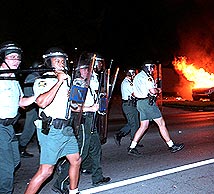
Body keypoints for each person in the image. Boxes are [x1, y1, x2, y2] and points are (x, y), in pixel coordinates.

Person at [24, 47, 81, 194]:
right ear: (49, 62)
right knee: (46, 171)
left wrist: (73, 98)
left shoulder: (66, 80)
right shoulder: (43, 80)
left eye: (63, 61)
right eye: (57, 61)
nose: (61, 64)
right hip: (51, 130)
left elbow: (74, 107)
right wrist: (58, 83)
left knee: (76, 160)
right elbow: (42, 103)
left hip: (66, 129)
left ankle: (74, 191)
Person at [52, 53, 110, 193]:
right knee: (80, 154)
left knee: (96, 148)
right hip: (82, 120)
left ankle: (97, 177)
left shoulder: (90, 80)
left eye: (88, 69)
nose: (87, 71)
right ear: (79, 70)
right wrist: (90, 108)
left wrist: (100, 105)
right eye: (84, 69)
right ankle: (61, 181)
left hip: (91, 119)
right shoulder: (78, 83)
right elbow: (74, 106)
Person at [127, 61, 184, 156]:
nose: (153, 70)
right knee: (161, 124)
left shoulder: (137, 76)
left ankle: (132, 147)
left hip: (140, 103)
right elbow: (152, 91)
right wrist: (158, 90)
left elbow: (134, 92)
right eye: (152, 67)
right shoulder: (147, 78)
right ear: (147, 67)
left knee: (143, 126)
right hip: (148, 103)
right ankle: (171, 146)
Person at [0, 41, 36, 193]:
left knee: (15, 161)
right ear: (2, 59)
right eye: (11, 57)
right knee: (7, 168)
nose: (16, 60)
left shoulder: (13, 78)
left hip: (10, 128)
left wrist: (41, 95)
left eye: (18, 58)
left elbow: (22, 102)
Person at [18, 63, 43, 158]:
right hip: (32, 106)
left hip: (37, 105)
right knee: (30, 127)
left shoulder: (38, 77)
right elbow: (28, 92)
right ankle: (22, 147)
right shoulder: (32, 77)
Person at [114, 68, 140, 146]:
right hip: (129, 105)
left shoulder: (128, 82)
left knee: (132, 123)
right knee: (134, 124)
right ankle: (133, 142)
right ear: (131, 74)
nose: (135, 75)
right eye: (134, 74)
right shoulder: (128, 83)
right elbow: (135, 93)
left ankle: (122, 135)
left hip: (130, 105)